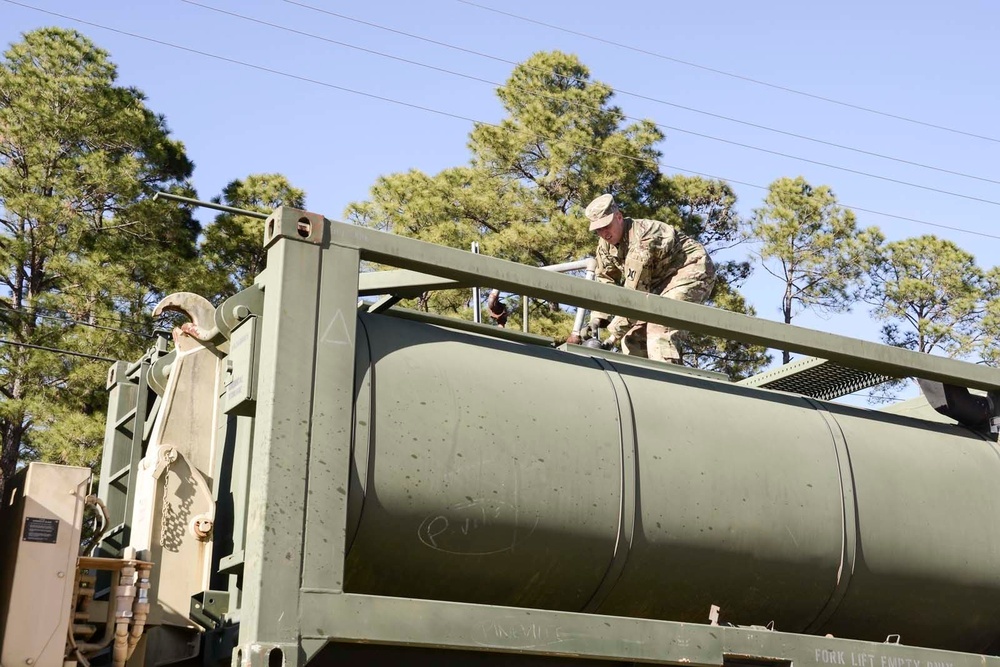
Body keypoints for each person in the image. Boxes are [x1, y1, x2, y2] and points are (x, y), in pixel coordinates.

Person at [579, 193, 716, 364]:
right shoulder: (605, 245)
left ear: (619, 217)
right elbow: (605, 279)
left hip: (690, 270)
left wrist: (611, 337)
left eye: (607, 226)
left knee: (660, 327)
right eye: (598, 229)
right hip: (657, 282)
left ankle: (670, 383)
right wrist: (597, 318)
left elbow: (635, 296)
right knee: (632, 338)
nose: (604, 233)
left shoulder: (642, 241)